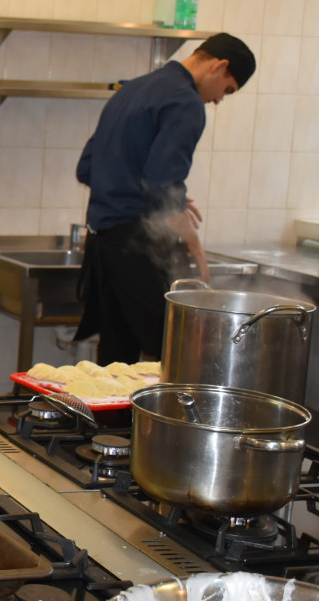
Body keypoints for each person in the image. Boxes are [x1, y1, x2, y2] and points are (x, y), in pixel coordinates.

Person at [73, 33, 256, 365]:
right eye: (227, 90)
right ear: (220, 66)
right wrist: (194, 247)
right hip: (139, 247)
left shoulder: (131, 90)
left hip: (103, 244)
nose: (218, 101)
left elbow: (88, 168)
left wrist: (162, 195)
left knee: (116, 360)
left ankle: (111, 420)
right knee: (181, 354)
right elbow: (162, 185)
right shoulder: (185, 102)